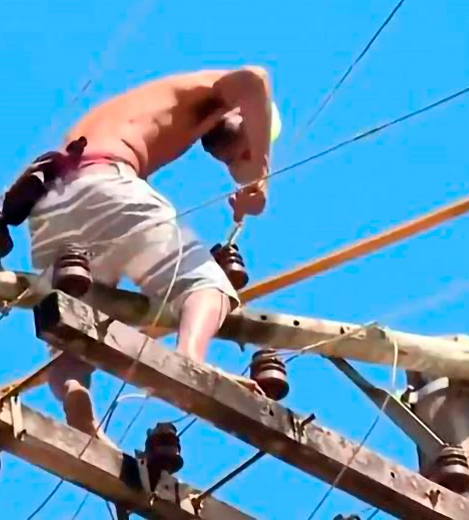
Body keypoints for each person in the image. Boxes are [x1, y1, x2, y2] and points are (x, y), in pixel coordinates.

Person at [18, 67, 282, 442]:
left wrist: (249, 176)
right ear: (244, 114)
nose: (228, 160)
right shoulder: (210, 89)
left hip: (50, 204)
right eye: (243, 150)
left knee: (71, 326)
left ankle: (76, 398)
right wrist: (261, 174)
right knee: (209, 288)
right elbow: (256, 79)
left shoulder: (140, 105)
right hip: (106, 181)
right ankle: (190, 359)